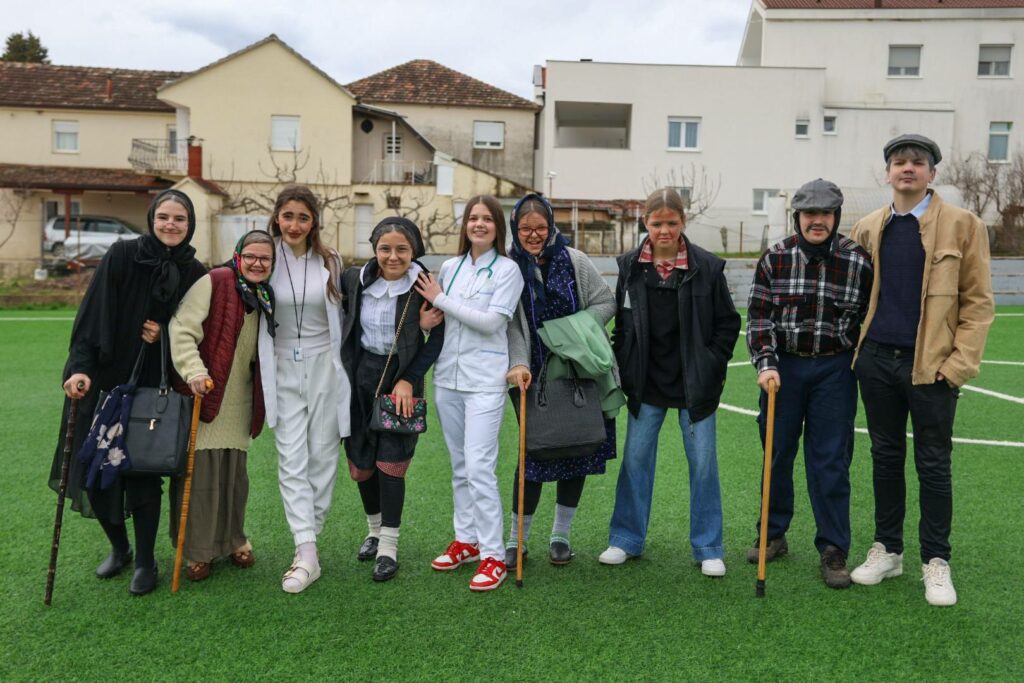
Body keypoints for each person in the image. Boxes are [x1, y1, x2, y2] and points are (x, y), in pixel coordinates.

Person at [848, 134, 994, 606]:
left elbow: (978, 303)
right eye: (898, 162)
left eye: (917, 162)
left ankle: (936, 561)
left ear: (932, 173)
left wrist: (958, 365)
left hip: (932, 369)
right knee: (885, 458)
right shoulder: (868, 227)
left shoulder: (964, 225)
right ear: (888, 172)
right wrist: (859, 355)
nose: (907, 168)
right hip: (877, 363)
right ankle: (888, 550)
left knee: (933, 464)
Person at [50, 189, 206, 596]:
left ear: (190, 225)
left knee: (142, 474)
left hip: (153, 383)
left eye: (180, 219)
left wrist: (163, 335)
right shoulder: (122, 255)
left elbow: (194, 331)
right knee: (95, 470)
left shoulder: (194, 271)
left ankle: (144, 561)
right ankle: (120, 548)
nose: (171, 225)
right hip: (104, 379)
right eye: (164, 217)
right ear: (152, 219)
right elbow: (91, 314)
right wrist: (80, 368)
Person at [599, 188, 740, 577]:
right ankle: (625, 539)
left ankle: (708, 547)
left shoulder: (707, 267)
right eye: (657, 223)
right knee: (635, 461)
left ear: (683, 222)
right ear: (645, 222)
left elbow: (728, 323)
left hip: (695, 387)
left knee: (703, 466)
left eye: (672, 223)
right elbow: (624, 324)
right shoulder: (631, 266)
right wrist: (625, 365)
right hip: (646, 385)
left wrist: (711, 363)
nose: (664, 230)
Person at [745, 178, 873, 589]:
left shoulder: (858, 261)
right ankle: (772, 534)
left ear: (836, 217)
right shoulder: (775, 258)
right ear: (797, 217)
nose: (818, 221)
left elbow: (868, 318)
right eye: (809, 214)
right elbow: (759, 317)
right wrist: (766, 363)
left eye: (826, 214)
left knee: (830, 460)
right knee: (776, 453)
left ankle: (833, 547)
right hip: (784, 369)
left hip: (835, 370)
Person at [415, 195, 525, 591]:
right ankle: (467, 540)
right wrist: (427, 319)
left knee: (479, 467)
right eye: (473, 218)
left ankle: (493, 555)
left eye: (487, 219)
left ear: (498, 226)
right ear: (465, 225)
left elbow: (492, 322)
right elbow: (439, 320)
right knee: (460, 465)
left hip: (485, 381)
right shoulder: (450, 267)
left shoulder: (509, 270)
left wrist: (440, 298)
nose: (479, 224)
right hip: (448, 378)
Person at [504, 193, 618, 567]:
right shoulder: (508, 267)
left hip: (577, 372)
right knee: (533, 457)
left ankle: (560, 536)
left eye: (540, 227)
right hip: (532, 376)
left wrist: (570, 332)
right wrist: (519, 363)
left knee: (577, 449)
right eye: (525, 228)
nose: (533, 235)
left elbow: (605, 302)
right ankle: (516, 539)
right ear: (515, 229)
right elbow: (511, 324)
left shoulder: (574, 260)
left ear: (551, 226)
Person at [342, 217, 445, 582]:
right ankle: (373, 531)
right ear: (374, 249)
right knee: (361, 463)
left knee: (391, 464)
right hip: (359, 379)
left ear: (414, 250)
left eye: (402, 249)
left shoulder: (423, 284)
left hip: (401, 379)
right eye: (385, 248)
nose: (393, 256)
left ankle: (389, 546)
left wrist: (408, 380)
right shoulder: (355, 280)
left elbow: (438, 338)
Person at [169, 230, 275, 583]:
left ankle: (233, 540)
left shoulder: (264, 295)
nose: (258, 263)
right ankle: (197, 552)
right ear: (238, 255)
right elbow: (182, 329)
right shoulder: (215, 280)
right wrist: (194, 371)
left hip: (242, 398)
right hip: (207, 392)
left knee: (234, 478)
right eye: (251, 256)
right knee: (201, 479)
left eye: (265, 258)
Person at [262, 185, 351, 593]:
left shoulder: (330, 261)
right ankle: (307, 550)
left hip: (324, 367)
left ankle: (308, 543)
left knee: (323, 456)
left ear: (314, 221)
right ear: (276, 218)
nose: (294, 225)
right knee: (291, 457)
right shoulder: (264, 257)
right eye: (288, 216)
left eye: (303, 217)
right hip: (280, 366)